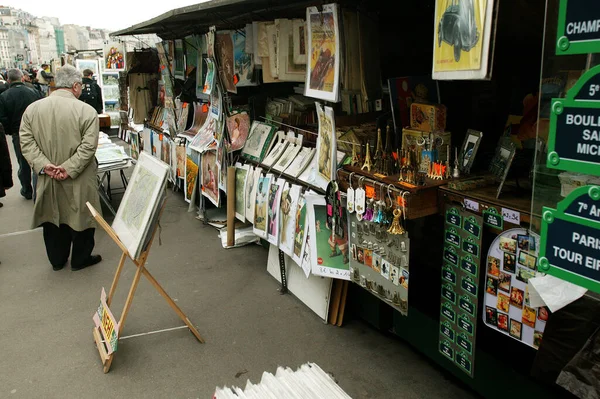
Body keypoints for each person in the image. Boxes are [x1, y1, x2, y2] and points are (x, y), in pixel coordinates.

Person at [20, 65, 102, 271]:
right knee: (81, 215)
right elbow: (88, 146)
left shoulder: (32, 109)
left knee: (52, 216)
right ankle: (80, 258)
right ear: (75, 86)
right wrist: (68, 168)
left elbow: (26, 141)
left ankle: (57, 259)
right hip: (78, 175)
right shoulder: (87, 111)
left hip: (47, 176)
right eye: (80, 86)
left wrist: (43, 165)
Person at [0, 68, 42, 200]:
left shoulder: (4, 96)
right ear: (22, 78)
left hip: (18, 132)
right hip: (37, 130)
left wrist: (10, 131)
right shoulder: (34, 91)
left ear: (8, 80)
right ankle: (39, 189)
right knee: (39, 159)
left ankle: (27, 189)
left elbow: (3, 117)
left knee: (23, 162)